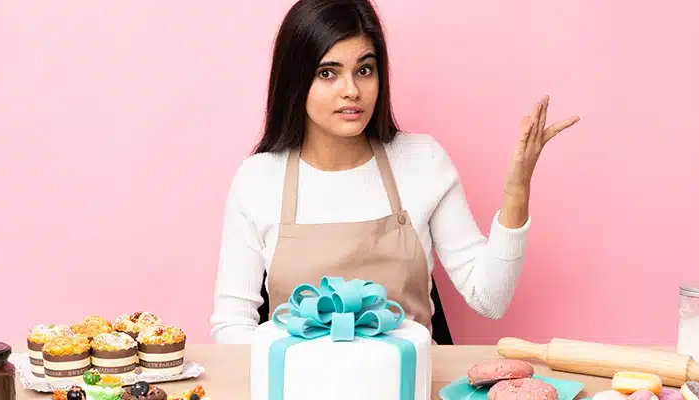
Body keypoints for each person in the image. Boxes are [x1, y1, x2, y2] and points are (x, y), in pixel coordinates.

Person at [209, 0, 580, 344]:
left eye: (364, 70)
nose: (351, 90)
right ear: (295, 81)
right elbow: (233, 323)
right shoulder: (258, 179)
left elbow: (489, 299)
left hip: (411, 384)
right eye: (328, 73)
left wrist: (517, 189)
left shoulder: (422, 161)